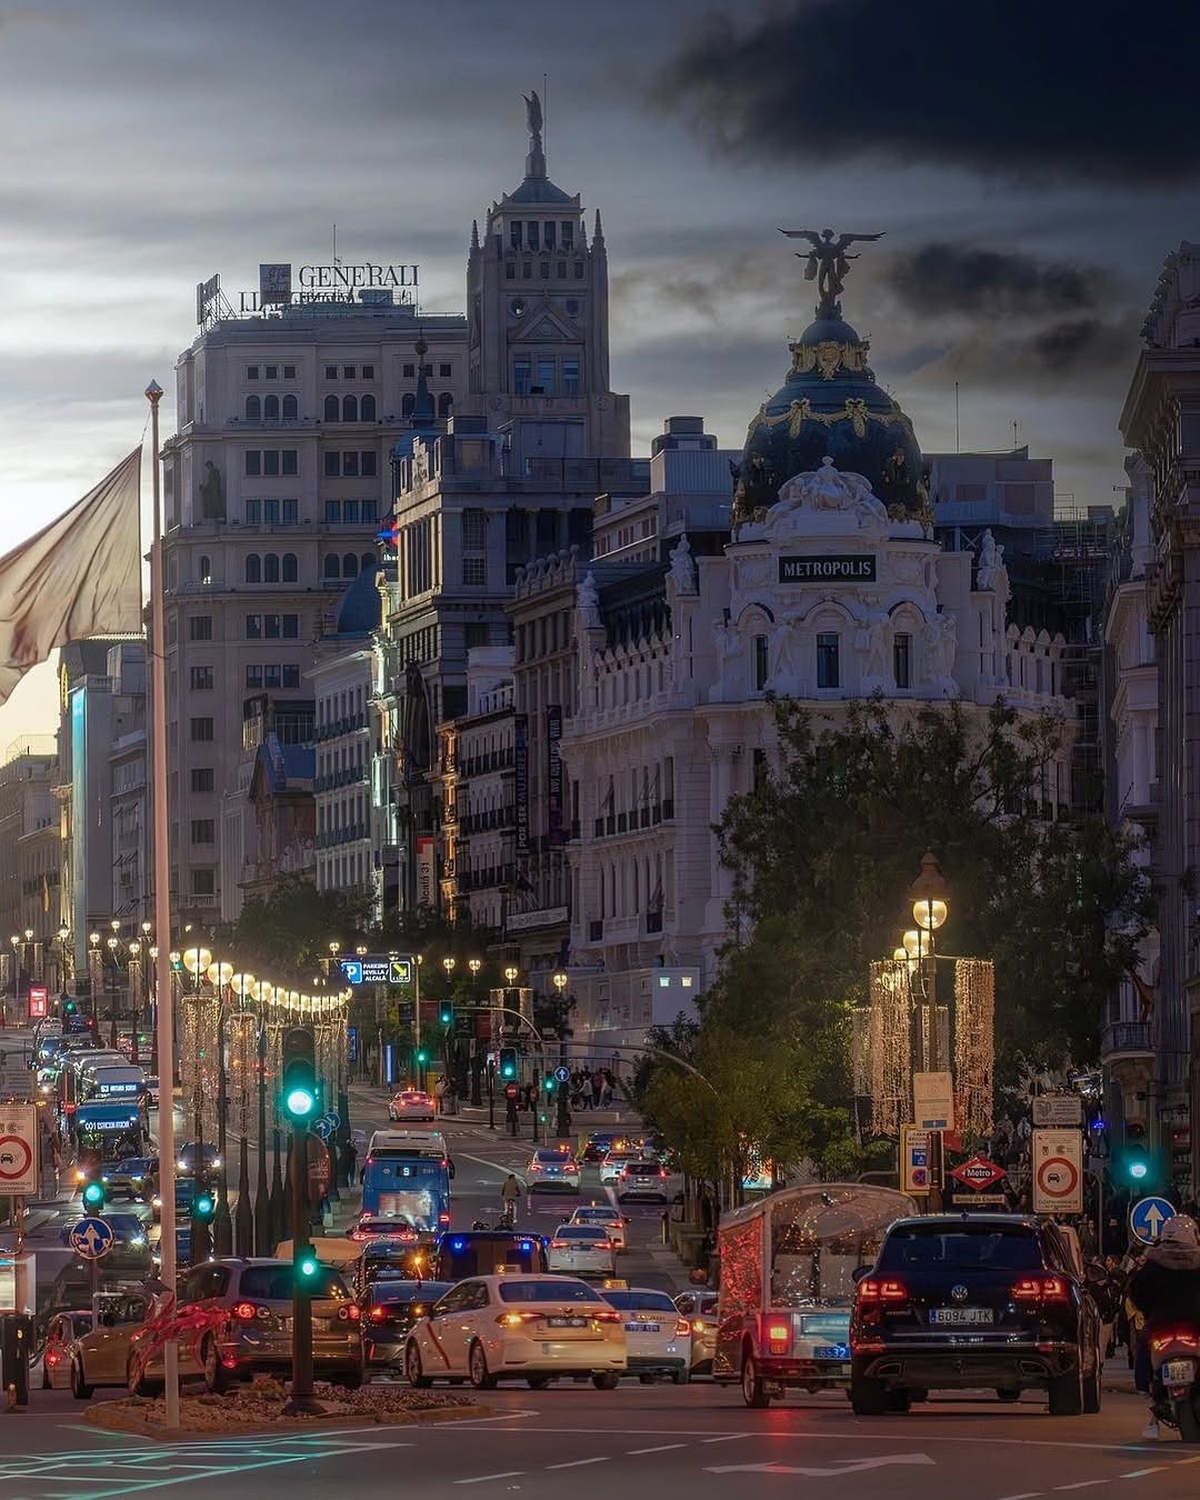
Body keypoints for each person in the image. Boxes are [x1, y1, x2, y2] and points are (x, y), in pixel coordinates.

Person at [1126, 1215, 1200, 1439]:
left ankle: (1145, 1389)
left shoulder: (1153, 1263)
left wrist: (1149, 1310)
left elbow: (1136, 1292)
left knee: (1143, 1346)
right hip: (1194, 1326)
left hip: (1161, 1327)